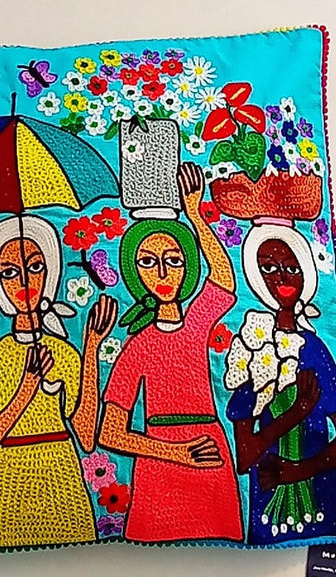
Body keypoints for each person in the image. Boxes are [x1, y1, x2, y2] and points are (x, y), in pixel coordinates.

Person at [98, 162, 243, 543]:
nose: (162, 272)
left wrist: (195, 214)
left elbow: (224, 281)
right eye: (148, 261)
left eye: (174, 260)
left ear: (188, 267)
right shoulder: (137, 345)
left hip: (211, 451)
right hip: (159, 461)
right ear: (134, 272)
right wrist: (178, 452)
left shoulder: (197, 322)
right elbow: (110, 433)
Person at [0, 214, 118, 548]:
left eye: (34, 267)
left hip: (62, 470)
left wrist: (91, 347)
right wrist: (27, 388)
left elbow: (86, 437)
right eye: (9, 273)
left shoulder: (64, 352)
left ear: (50, 271)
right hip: (9, 476)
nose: (24, 282)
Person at [225, 220, 336, 544]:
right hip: (268, 504)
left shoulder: (315, 350)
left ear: (306, 274)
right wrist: (296, 412)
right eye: (269, 268)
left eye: (292, 268)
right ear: (256, 277)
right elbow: (245, 457)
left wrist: (297, 472)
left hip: (321, 500)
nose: (282, 278)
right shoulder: (252, 348)